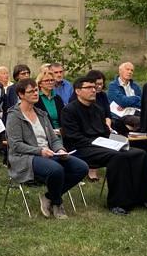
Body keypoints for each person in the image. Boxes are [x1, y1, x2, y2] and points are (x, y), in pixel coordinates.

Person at [61, 76, 147, 215]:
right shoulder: (69, 110)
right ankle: (118, 203)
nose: (93, 90)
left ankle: (143, 198)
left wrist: (116, 140)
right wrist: (101, 144)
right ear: (78, 91)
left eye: (94, 87)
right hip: (81, 148)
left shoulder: (97, 109)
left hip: (102, 145)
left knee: (140, 153)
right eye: (89, 88)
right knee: (117, 157)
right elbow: (73, 137)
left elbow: (105, 132)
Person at [6, 79, 90, 219]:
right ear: (21, 95)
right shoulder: (14, 116)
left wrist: (60, 150)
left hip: (49, 153)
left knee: (81, 167)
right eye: (31, 91)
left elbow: (54, 139)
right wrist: (39, 151)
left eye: (36, 90)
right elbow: (16, 145)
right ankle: (57, 203)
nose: (35, 93)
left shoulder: (41, 114)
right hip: (25, 157)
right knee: (56, 169)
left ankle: (49, 197)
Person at [107, 62, 142, 133]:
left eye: (132, 70)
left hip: (137, 112)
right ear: (120, 71)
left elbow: (142, 103)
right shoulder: (113, 86)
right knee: (141, 121)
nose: (130, 72)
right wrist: (137, 98)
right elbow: (123, 101)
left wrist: (127, 104)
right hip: (123, 115)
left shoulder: (135, 86)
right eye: (127, 69)